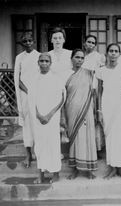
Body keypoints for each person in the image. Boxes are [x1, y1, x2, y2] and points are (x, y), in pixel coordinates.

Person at [95, 43, 121, 179]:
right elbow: (99, 91)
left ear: (119, 54)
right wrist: (99, 109)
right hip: (107, 106)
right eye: (111, 51)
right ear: (107, 54)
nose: (113, 53)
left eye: (116, 51)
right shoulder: (101, 70)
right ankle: (112, 168)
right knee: (109, 137)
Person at [29, 53, 66, 184]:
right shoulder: (34, 79)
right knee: (39, 145)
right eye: (41, 61)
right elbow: (31, 99)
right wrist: (39, 115)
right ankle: (41, 174)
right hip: (38, 118)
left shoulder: (56, 78)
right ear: (38, 63)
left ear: (50, 63)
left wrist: (50, 115)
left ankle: (56, 174)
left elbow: (62, 97)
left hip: (52, 117)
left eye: (46, 61)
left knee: (53, 144)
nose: (44, 63)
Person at [62, 49, 98, 180]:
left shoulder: (89, 73)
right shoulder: (65, 74)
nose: (79, 60)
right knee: (74, 139)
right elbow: (62, 95)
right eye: (77, 57)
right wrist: (62, 116)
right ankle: (75, 169)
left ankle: (89, 169)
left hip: (86, 110)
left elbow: (94, 94)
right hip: (70, 111)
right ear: (71, 58)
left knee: (87, 138)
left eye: (82, 58)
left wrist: (96, 111)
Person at [13, 32, 40, 168]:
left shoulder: (39, 56)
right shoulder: (19, 57)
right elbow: (17, 79)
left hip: (38, 94)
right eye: (25, 41)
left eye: (30, 40)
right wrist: (28, 91)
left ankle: (39, 153)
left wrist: (35, 92)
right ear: (22, 43)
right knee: (27, 124)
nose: (28, 43)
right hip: (25, 95)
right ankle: (28, 154)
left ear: (34, 41)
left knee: (38, 123)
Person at [82, 34, 106, 158]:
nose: (90, 44)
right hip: (82, 90)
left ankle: (97, 148)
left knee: (96, 118)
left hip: (94, 88)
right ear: (85, 43)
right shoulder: (81, 56)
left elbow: (100, 74)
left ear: (95, 45)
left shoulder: (99, 57)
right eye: (88, 42)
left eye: (93, 42)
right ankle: (86, 147)